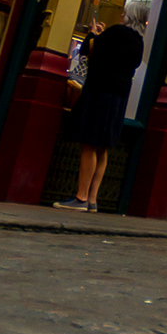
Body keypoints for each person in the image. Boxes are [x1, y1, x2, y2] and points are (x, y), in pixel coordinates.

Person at [55, 14, 142, 211]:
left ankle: (81, 197)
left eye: (123, 14)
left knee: (89, 143)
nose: (120, 16)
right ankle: (92, 200)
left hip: (100, 92)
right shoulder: (138, 42)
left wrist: (92, 34)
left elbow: (88, 50)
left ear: (127, 17)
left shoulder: (115, 32)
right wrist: (101, 38)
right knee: (103, 147)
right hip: (119, 97)